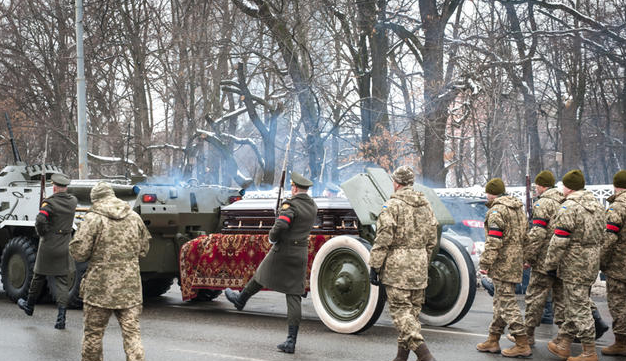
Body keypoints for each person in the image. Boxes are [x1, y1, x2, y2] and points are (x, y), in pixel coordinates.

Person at [224, 172, 317, 354]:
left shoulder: (291, 204)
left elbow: (282, 224)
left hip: (283, 250)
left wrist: (272, 237)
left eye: (292, 186)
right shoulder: (313, 206)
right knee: (294, 294)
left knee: (261, 273)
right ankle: (291, 341)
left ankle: (240, 300)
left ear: (295, 188)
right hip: (301, 252)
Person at [69, 182, 151, 361]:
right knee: (132, 335)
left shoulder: (93, 219)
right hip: (130, 289)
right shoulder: (134, 217)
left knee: (93, 335)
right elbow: (144, 249)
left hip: (99, 289)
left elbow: (79, 254)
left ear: (95, 199)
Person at [368, 166, 438, 361]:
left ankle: (425, 356)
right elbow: (433, 238)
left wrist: (374, 265)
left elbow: (383, 238)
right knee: (411, 316)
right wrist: (423, 258)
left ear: (396, 183)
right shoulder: (426, 204)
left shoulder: (392, 205)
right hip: (419, 265)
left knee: (401, 314)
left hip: (397, 268)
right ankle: (401, 357)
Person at [545, 170, 605, 361]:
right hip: (591, 262)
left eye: (563, 185)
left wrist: (550, 264)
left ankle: (589, 352)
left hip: (574, 263)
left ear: (569, 187)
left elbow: (559, 240)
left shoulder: (569, 207)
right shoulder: (597, 205)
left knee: (579, 307)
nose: (562, 188)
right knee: (576, 303)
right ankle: (563, 343)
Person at [506, 170, 565, 345]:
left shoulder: (543, 204)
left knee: (534, 297)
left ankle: (528, 336)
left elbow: (538, 233)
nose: (536, 189)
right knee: (561, 299)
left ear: (542, 186)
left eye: (537, 186)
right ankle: (563, 339)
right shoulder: (564, 200)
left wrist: (528, 258)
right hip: (561, 258)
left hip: (544, 260)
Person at [476, 178, 531, 357]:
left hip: (503, 262)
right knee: (500, 300)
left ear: (490, 193)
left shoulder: (496, 211)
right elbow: (526, 236)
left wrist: (484, 263)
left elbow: (494, 240)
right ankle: (493, 339)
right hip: (515, 261)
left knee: (506, 302)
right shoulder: (518, 209)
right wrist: (526, 257)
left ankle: (522, 342)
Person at [17, 173, 77, 329]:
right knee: (62, 281)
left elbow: (40, 220)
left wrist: (42, 232)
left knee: (38, 276)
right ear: (66, 188)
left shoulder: (49, 203)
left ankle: (29, 306)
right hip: (64, 245)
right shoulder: (73, 201)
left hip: (48, 246)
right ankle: (61, 319)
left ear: (55, 187)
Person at [600, 169, 626, 356]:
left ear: (616, 186)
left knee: (618, 303)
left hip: (619, 265)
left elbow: (609, 238)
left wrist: (600, 261)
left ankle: (621, 342)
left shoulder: (617, 207)